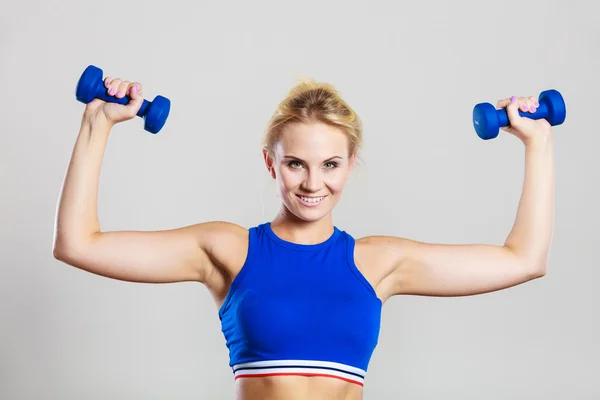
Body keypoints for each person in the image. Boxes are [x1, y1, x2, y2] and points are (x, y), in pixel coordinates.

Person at [52, 73, 554, 400]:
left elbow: (524, 259)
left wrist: (539, 143)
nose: (313, 184)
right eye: (295, 164)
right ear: (270, 162)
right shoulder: (228, 249)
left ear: (351, 165)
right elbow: (79, 243)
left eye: (330, 164)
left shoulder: (379, 262)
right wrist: (97, 124)